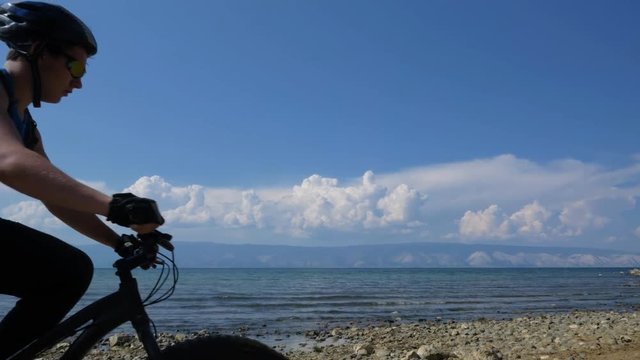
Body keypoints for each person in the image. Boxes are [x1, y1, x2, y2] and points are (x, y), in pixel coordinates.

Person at [0, 2, 165, 357]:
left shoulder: (25, 127)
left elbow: (54, 195)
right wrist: (116, 205)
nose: (79, 81)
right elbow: (9, 162)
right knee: (67, 272)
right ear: (38, 51)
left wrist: (116, 242)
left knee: (70, 271)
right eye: (75, 66)